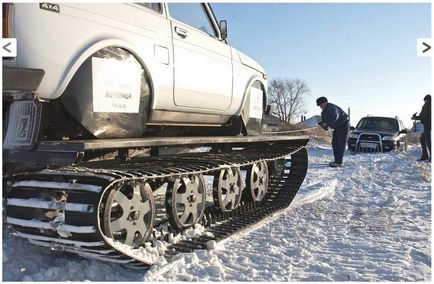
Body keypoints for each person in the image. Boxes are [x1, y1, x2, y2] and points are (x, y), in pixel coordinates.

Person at [316, 96, 350, 167]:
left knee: (340, 143)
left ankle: (339, 162)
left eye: (321, 105)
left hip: (343, 125)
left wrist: (326, 123)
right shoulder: (324, 112)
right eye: (319, 106)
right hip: (337, 127)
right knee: (334, 143)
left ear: (325, 103)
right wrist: (323, 125)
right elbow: (324, 121)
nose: (321, 107)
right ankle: (336, 160)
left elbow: (334, 118)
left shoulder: (332, 108)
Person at [412, 94, 431, 162]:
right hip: (428, 125)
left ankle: (427, 156)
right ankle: (425, 155)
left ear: (426, 100)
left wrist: (414, 117)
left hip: (427, 125)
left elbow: (422, 116)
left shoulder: (427, 105)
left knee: (427, 141)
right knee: (423, 139)